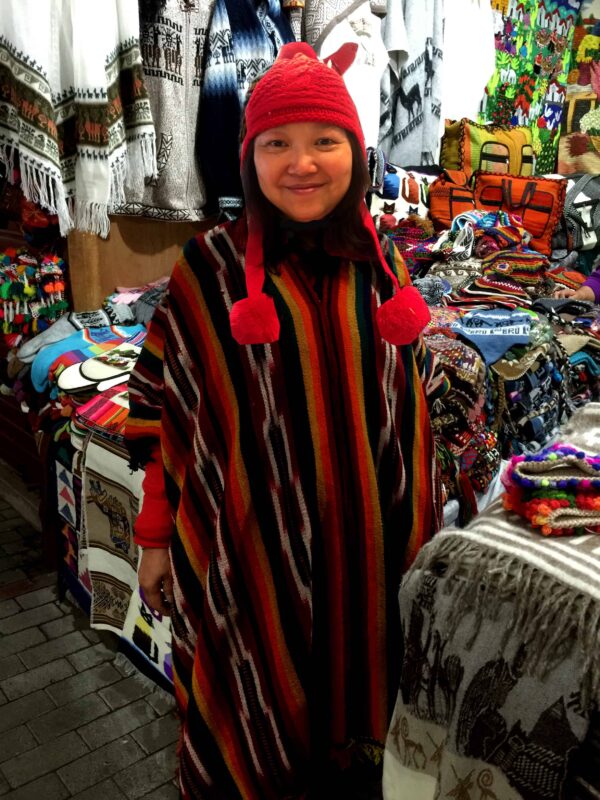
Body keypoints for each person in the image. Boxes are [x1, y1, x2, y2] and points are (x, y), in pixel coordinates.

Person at [125, 41, 444, 800]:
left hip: (369, 556)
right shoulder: (209, 271)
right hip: (252, 556)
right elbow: (162, 409)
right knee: (261, 728)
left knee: (359, 735)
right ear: (250, 159)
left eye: (324, 142)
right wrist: (155, 538)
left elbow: (406, 412)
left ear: (357, 154)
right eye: (277, 144)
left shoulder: (382, 261)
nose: (302, 164)